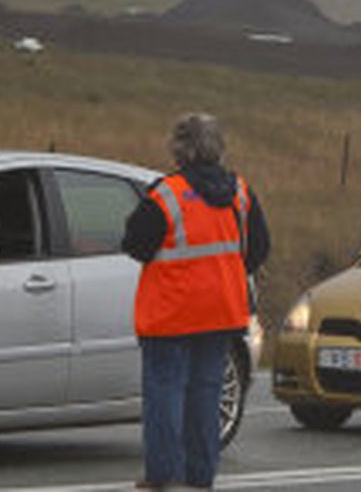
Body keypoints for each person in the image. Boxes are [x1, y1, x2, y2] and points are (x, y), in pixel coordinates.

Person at [123, 113, 270, 490]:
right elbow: (259, 248)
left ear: (179, 148)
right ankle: (200, 476)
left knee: (164, 396)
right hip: (222, 311)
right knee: (205, 397)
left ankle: (161, 476)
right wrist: (228, 273)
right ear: (217, 145)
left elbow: (135, 245)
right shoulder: (240, 191)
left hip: (172, 313)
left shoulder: (167, 193)